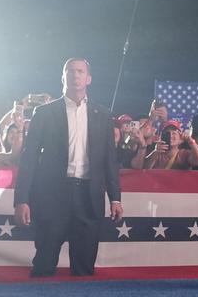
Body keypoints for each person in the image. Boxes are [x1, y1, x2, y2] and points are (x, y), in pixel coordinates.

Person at [12, 58, 123, 277]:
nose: (75, 75)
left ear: (89, 79)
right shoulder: (44, 113)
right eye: (70, 71)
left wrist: (116, 199)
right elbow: (29, 159)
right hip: (52, 196)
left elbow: (109, 161)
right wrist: (21, 199)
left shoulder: (102, 114)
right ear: (62, 77)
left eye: (80, 71)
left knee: (84, 269)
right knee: (44, 264)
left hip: (89, 197)